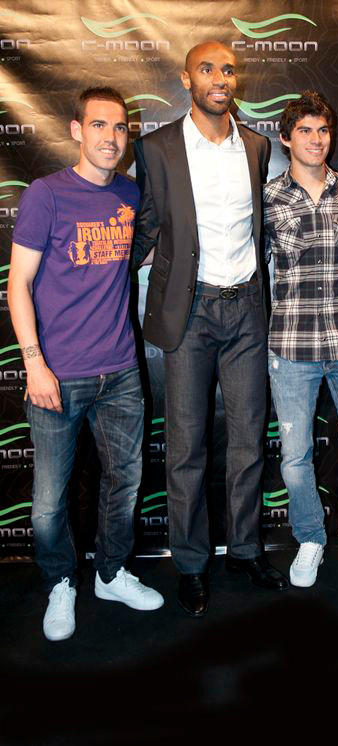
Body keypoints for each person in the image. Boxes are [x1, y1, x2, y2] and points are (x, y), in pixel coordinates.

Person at [133, 41, 288, 616]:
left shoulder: (257, 146)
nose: (220, 78)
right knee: (186, 447)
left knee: (247, 440)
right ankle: (191, 563)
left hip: (247, 307)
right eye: (207, 69)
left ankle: (245, 550)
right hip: (190, 311)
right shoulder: (156, 148)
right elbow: (145, 226)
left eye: (227, 69)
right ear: (186, 79)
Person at [7, 87, 164, 642]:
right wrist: (34, 364)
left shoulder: (129, 192)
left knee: (125, 483)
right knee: (49, 501)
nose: (111, 138)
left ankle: (111, 573)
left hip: (120, 370)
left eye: (120, 127)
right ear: (77, 130)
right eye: (99, 125)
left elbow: (137, 253)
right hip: (58, 373)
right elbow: (18, 285)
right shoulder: (46, 195)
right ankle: (59, 582)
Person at [264, 91, 338, 588]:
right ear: (285, 137)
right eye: (305, 131)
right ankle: (310, 537)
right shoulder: (267, 197)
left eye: (323, 130)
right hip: (292, 346)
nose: (316, 140)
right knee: (295, 457)